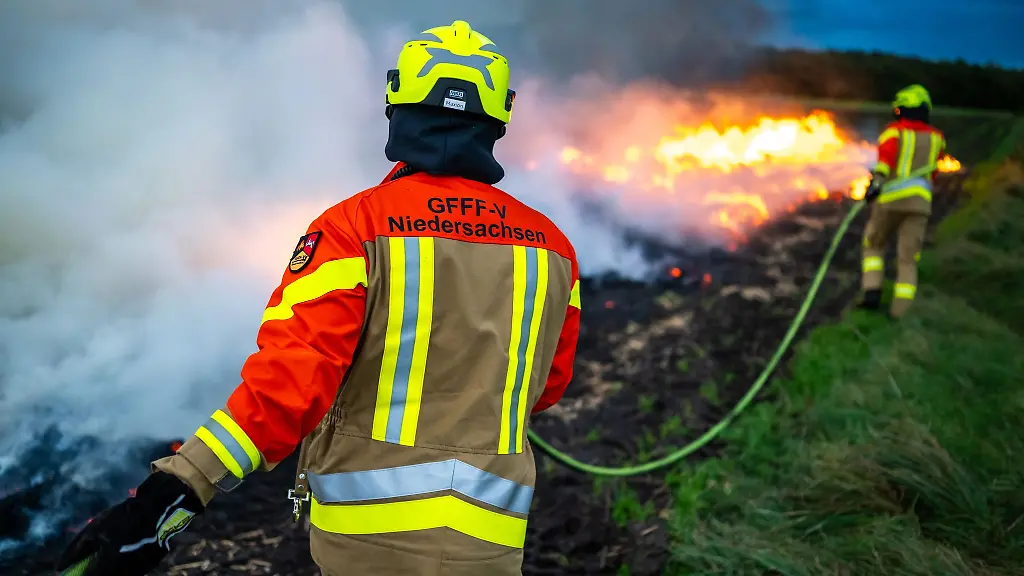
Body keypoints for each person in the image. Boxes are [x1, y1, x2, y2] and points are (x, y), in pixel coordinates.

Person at [57, 20, 581, 576]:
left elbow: (288, 386)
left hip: (371, 544)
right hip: (492, 542)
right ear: (498, 119)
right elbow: (545, 387)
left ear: (396, 106)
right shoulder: (551, 247)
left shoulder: (353, 229)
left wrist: (180, 485)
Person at [859, 84, 947, 319]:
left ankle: (872, 292)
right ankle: (901, 311)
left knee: (873, 243)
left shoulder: (893, 132)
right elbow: (933, 172)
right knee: (908, 257)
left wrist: (875, 185)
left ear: (902, 109)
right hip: (920, 204)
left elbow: (884, 163)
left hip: (891, 201)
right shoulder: (938, 139)